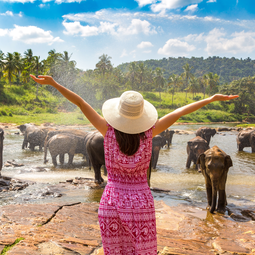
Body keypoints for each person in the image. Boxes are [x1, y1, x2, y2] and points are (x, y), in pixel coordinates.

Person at [30, 74, 238, 254]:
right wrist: (211, 98)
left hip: (111, 201)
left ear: (118, 113)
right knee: (143, 250)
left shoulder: (107, 132)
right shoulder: (149, 135)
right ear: (141, 115)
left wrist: (55, 84)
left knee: (114, 250)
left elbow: (81, 103)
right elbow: (179, 112)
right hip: (141, 203)